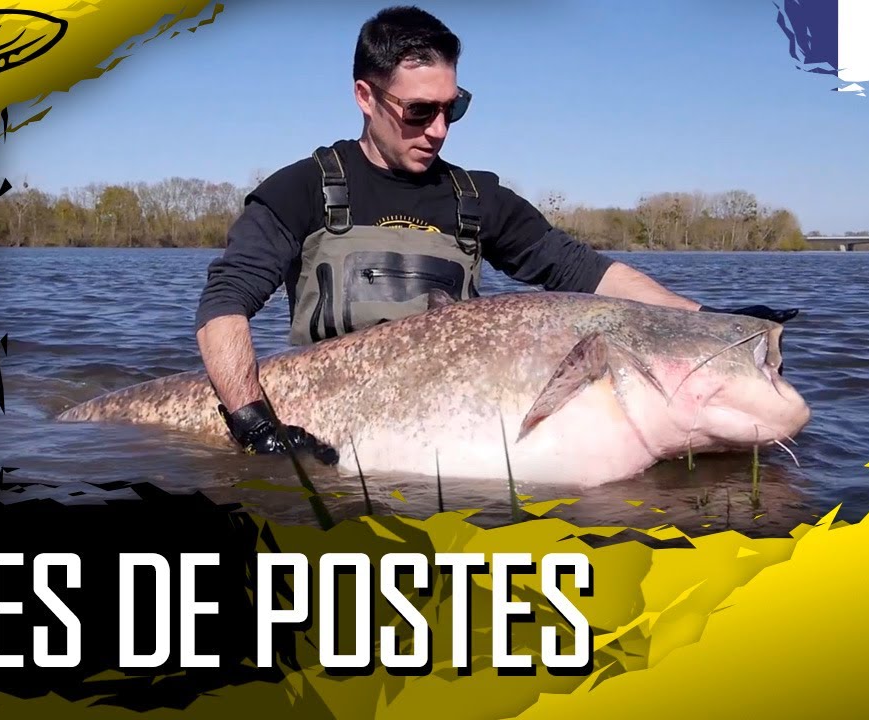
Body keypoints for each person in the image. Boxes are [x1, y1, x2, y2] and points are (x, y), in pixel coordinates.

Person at [193, 5, 797, 465]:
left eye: (451, 110)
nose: (438, 130)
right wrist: (253, 423)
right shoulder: (301, 187)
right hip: (321, 411)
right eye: (418, 111)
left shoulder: (476, 196)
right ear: (364, 97)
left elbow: (580, 271)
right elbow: (225, 304)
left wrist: (700, 318)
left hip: (445, 418)